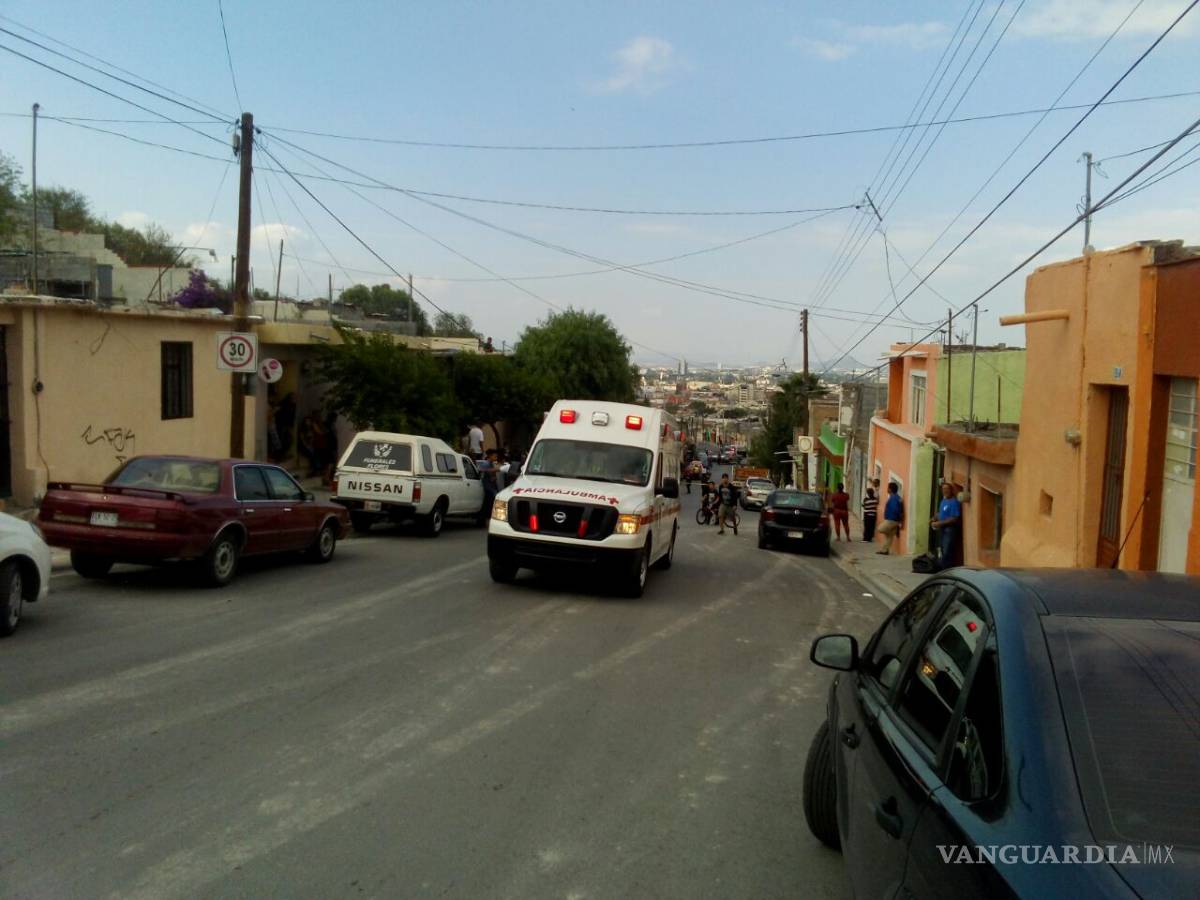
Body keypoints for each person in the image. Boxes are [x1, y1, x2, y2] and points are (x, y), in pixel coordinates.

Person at [931, 482, 962, 569]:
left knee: (947, 550)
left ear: (951, 490)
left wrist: (939, 523)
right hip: (942, 529)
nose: (945, 491)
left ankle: (946, 569)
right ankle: (941, 567)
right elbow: (941, 513)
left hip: (950, 529)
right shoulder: (943, 501)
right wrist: (935, 517)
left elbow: (954, 518)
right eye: (943, 489)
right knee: (941, 549)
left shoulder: (954, 502)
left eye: (947, 489)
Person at [876, 482, 904, 555]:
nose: (887, 489)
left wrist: (898, 519)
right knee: (889, 537)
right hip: (892, 519)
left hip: (892, 520)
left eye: (888, 488)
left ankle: (895, 527)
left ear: (890, 489)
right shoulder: (895, 497)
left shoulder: (894, 498)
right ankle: (885, 550)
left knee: (880, 529)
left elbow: (896, 509)